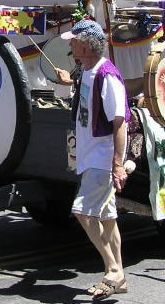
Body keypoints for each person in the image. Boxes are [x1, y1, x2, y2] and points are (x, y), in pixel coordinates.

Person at [54, 19, 128, 300]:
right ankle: (119, 275)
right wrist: (68, 83)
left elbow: (119, 121)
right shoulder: (86, 71)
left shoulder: (106, 75)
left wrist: (118, 164)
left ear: (86, 43)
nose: (70, 44)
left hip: (102, 156)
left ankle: (112, 269)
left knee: (82, 211)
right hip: (90, 156)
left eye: (73, 40)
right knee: (108, 219)